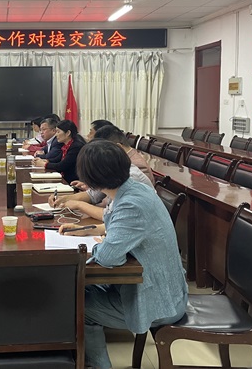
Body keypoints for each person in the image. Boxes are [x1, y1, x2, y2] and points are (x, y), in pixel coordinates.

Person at [59, 141, 187, 369]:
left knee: (79, 306)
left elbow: (109, 258)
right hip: (163, 287)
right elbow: (115, 225)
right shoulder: (132, 189)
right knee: (77, 290)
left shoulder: (131, 204)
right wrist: (85, 230)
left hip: (160, 300)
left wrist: (100, 247)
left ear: (90, 178)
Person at [49, 126, 154, 220]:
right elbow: (94, 195)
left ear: (117, 149)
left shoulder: (131, 174)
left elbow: (112, 215)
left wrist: (78, 205)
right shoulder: (114, 167)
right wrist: (64, 199)